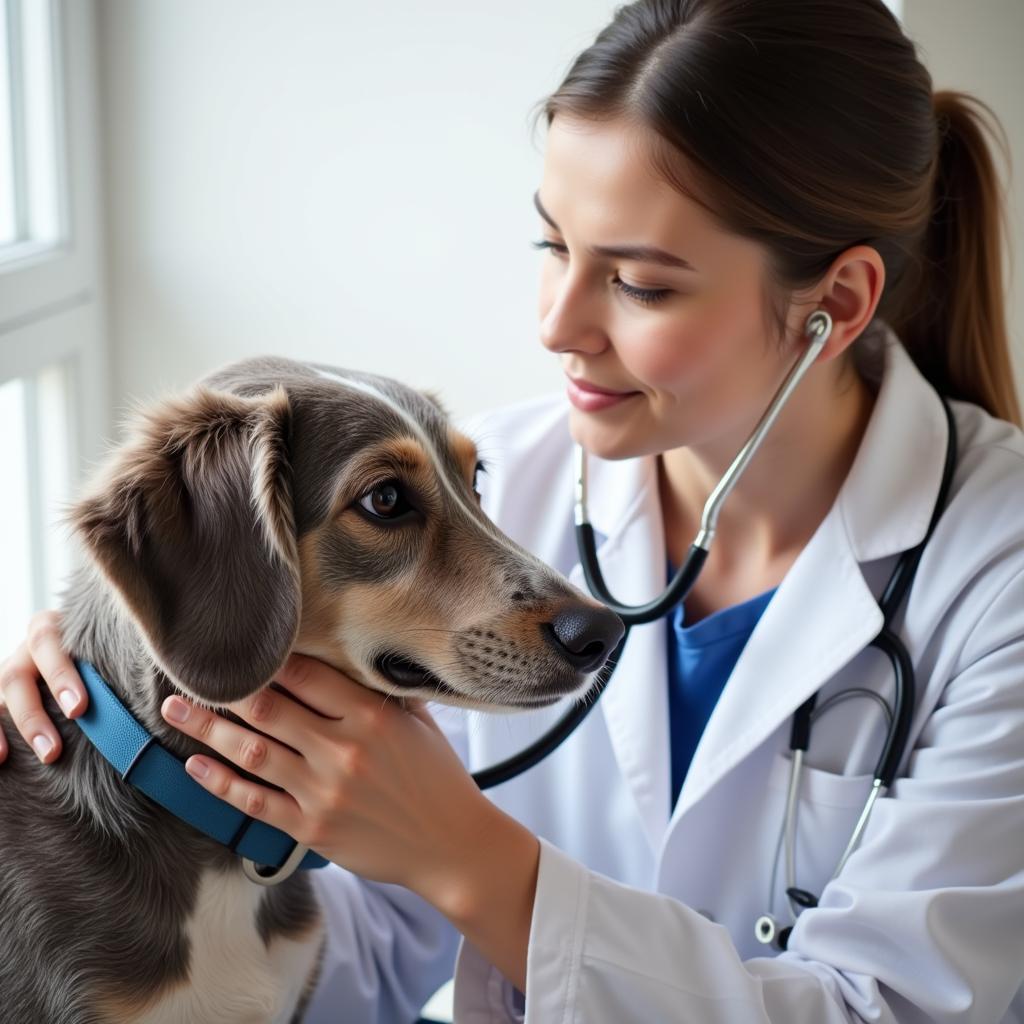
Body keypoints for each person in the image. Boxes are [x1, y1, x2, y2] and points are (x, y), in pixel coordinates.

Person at [3, 0, 1024, 1020]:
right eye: (552, 245)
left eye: (636, 282)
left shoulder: (997, 575)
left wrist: (472, 860)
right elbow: (356, 945)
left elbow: (893, 1006)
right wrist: (118, 713)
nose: (556, 324)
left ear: (835, 303)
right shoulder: (503, 481)